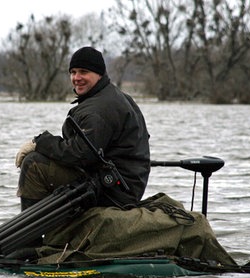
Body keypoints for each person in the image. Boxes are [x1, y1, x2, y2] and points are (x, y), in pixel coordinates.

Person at [15, 46, 150, 210]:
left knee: (33, 164)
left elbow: (82, 154)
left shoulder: (99, 108)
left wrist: (40, 143)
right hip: (122, 184)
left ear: (99, 74)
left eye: (83, 72)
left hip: (113, 191)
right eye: (73, 72)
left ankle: (31, 235)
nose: (76, 78)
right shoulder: (112, 96)